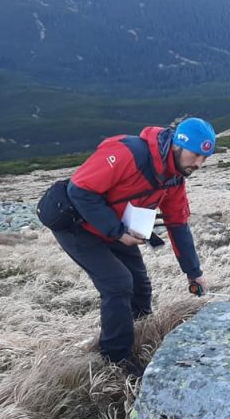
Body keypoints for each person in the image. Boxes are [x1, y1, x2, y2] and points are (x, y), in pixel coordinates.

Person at [50, 118, 215, 375]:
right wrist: (117, 233)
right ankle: (116, 361)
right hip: (77, 226)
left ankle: (138, 335)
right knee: (118, 284)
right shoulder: (130, 154)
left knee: (140, 284)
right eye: (196, 155)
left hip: (115, 228)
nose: (199, 164)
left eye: (205, 158)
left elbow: (178, 224)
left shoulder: (173, 179)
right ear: (178, 145)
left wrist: (193, 272)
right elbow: (80, 190)